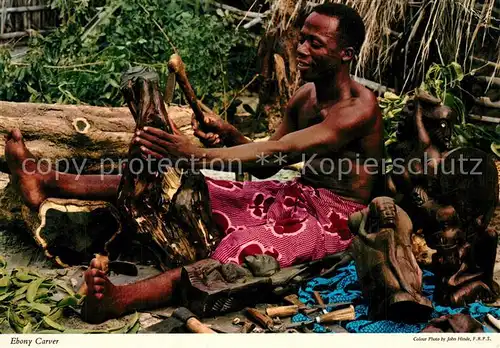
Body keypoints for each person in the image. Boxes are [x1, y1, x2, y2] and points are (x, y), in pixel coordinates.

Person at [4, 3, 383, 323]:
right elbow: (267, 164)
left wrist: (197, 154)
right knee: (197, 185)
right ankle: (48, 181)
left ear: (346, 54)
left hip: (334, 221)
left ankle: (119, 300)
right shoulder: (304, 97)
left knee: (240, 249)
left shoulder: (358, 109)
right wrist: (231, 134)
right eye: (301, 38)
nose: (300, 49)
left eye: (314, 44)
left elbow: (282, 152)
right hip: (294, 193)